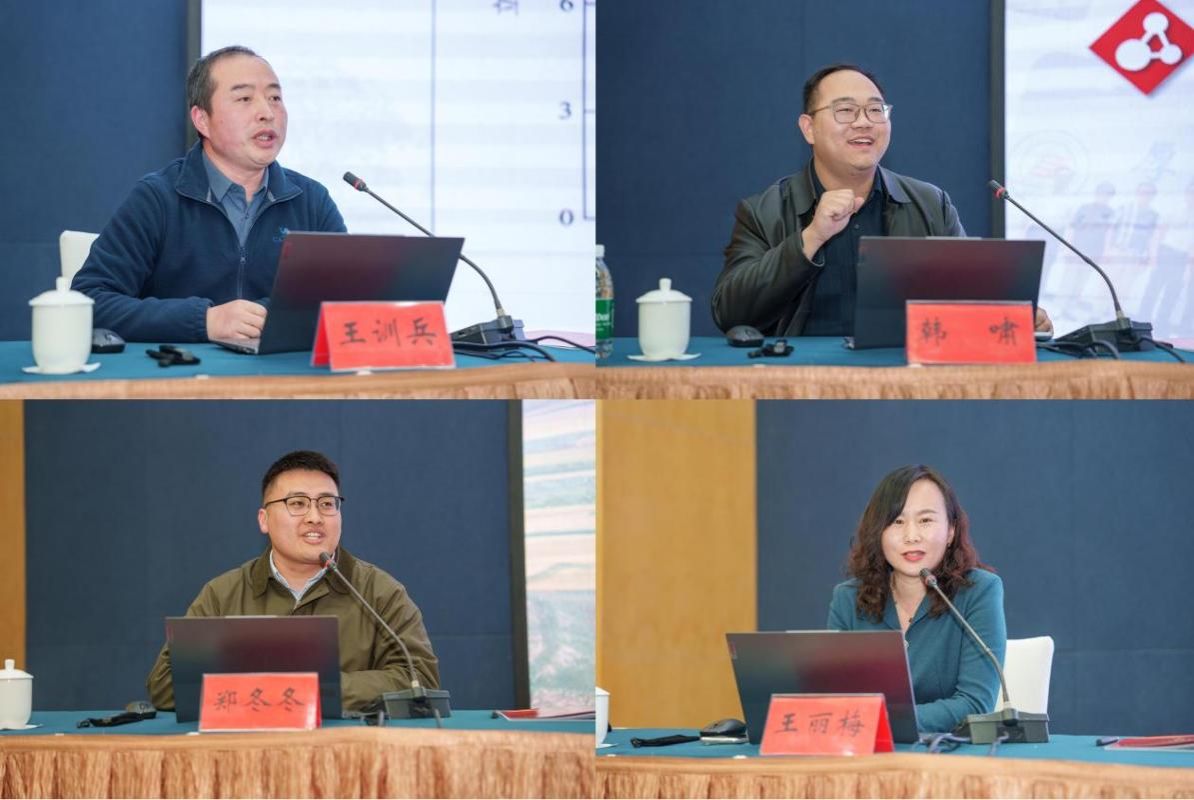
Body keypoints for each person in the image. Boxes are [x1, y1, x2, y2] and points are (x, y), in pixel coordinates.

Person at [714, 63, 1051, 337]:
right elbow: (730, 313)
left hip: (903, 381)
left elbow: (966, 300)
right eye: (846, 110)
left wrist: (1015, 317)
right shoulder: (764, 211)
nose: (864, 122)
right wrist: (810, 238)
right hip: (800, 382)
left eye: (875, 110)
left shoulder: (930, 204)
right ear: (809, 128)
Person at [72, 46, 346, 343]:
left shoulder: (311, 201)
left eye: (275, 98)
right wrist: (204, 320)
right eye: (244, 99)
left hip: (278, 371)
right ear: (202, 120)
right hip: (185, 370)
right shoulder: (158, 199)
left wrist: (269, 316)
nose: (267, 113)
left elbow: (347, 299)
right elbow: (88, 302)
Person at [146, 450, 439, 712]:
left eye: (327, 504)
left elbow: (420, 679)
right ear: (264, 520)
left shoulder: (379, 592)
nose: (315, 517)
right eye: (297, 503)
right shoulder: (223, 594)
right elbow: (165, 684)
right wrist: (277, 693)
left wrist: (315, 690)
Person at [827, 465, 1005, 733]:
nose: (911, 536)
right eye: (897, 522)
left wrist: (883, 720)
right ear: (878, 532)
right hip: (869, 753)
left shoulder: (978, 591)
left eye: (925, 520)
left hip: (947, 753)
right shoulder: (848, 599)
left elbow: (975, 704)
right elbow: (833, 699)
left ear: (950, 531)